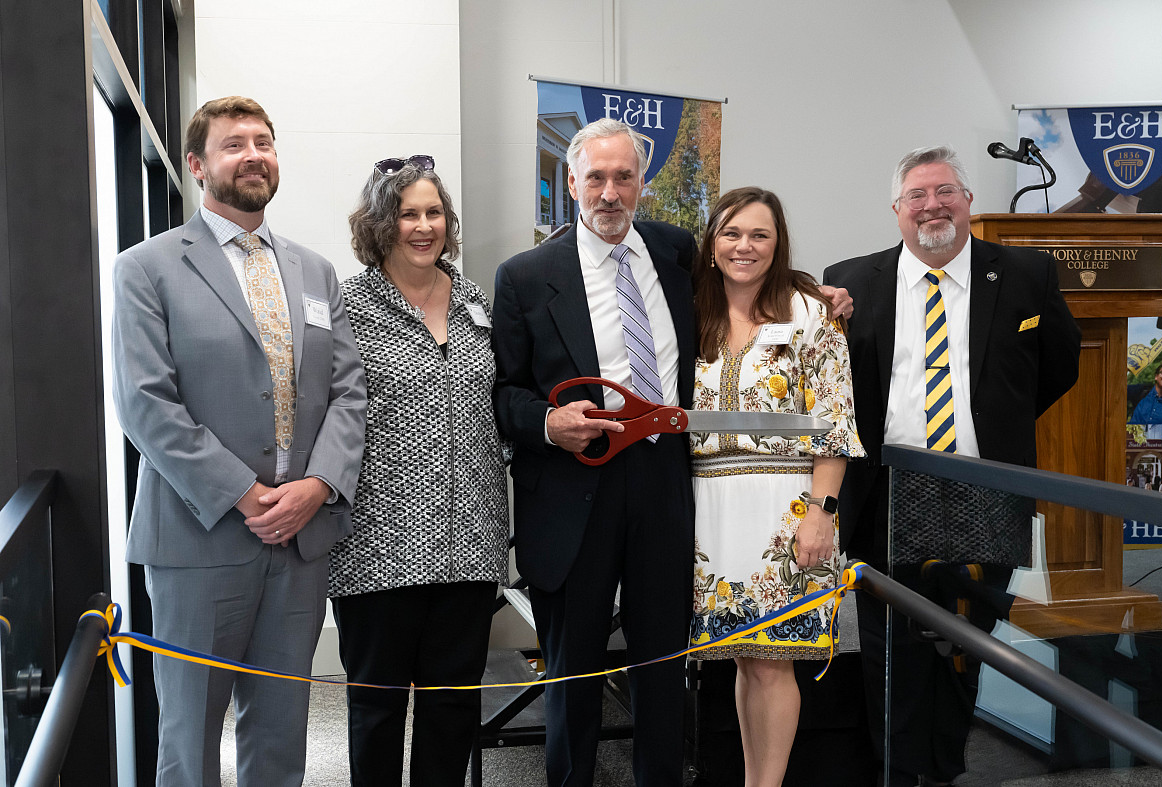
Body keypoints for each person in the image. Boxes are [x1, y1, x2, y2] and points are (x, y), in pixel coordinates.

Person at [110, 96, 367, 786]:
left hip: (302, 539)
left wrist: (317, 486)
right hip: (200, 539)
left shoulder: (315, 272)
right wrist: (246, 494)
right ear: (197, 165)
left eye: (264, 141)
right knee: (189, 739)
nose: (254, 154)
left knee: (281, 731)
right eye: (234, 144)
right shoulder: (147, 268)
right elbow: (144, 402)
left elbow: (349, 392)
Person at [824, 144, 1081, 786]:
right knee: (891, 646)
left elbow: (1060, 365)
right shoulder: (851, 280)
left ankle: (945, 768)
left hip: (983, 487)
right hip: (889, 487)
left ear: (967, 202)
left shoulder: (1025, 274)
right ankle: (897, 770)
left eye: (945, 192)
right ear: (896, 209)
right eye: (918, 195)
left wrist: (995, 427)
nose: (932, 205)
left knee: (968, 642)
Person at [492, 117, 696, 786]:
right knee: (573, 675)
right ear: (572, 181)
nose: (610, 192)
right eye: (596, 177)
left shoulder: (677, 252)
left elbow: (750, 292)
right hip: (573, 491)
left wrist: (817, 294)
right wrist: (550, 422)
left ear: (642, 183)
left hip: (665, 485)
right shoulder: (525, 275)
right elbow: (501, 393)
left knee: (664, 670)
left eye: (624, 176)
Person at [327, 157, 509, 786]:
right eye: (409, 213)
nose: (424, 226)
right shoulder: (346, 305)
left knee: (453, 703)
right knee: (376, 706)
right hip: (376, 544)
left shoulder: (474, 301)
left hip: (470, 542)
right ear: (382, 223)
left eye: (435, 213)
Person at [689, 187, 864, 786]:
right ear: (711, 242)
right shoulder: (688, 309)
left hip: (786, 511)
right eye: (731, 233)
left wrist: (822, 512)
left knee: (774, 665)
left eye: (759, 235)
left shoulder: (811, 313)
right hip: (705, 511)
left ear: (778, 244)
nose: (744, 246)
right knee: (744, 661)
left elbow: (836, 421)